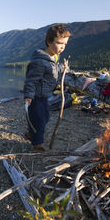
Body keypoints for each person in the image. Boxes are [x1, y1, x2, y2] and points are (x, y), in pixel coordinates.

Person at [23, 24, 71, 152]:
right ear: (49, 41)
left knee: (45, 117)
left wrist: (63, 67)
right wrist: (28, 95)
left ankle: (31, 132)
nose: (62, 47)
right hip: (36, 96)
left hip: (45, 95)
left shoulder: (53, 58)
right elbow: (31, 80)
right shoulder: (39, 61)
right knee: (39, 119)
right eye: (59, 43)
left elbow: (54, 69)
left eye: (65, 44)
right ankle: (37, 145)